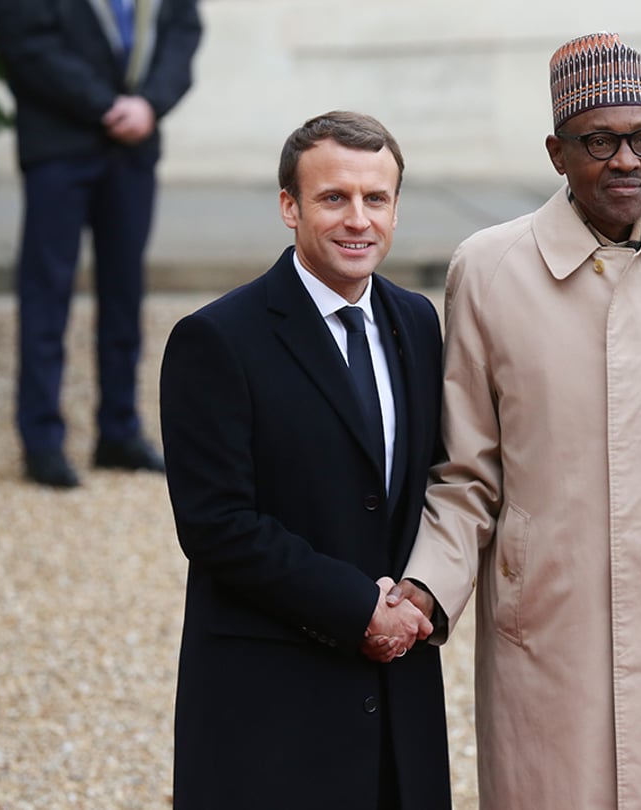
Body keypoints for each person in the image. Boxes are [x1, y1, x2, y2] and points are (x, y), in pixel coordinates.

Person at [393, 32, 641, 809]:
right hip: (548, 632)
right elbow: (467, 476)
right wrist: (424, 591)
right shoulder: (487, 271)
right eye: (599, 141)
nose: (626, 161)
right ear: (556, 152)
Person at [159, 111, 451, 809]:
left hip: (399, 702)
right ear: (289, 207)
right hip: (272, 702)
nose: (358, 219)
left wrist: (423, 595)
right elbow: (217, 524)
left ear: (395, 208)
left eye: (375, 198)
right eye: (333, 198)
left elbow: (435, 481)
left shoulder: (417, 321)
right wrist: (359, 609)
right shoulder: (216, 340)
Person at [0, 0, 202, 487]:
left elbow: (181, 33)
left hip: (133, 149)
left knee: (125, 294)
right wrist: (105, 106)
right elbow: (27, 44)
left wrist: (150, 104)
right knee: (47, 294)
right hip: (59, 147)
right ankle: (42, 440)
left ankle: (119, 432)